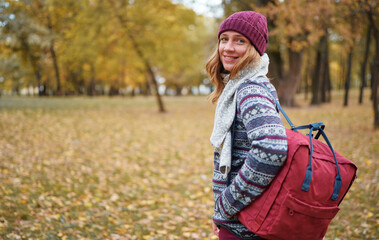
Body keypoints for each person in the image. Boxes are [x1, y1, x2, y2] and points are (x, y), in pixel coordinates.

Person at [206, 11, 288, 239]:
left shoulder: (250, 90)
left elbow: (271, 148)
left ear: (254, 48)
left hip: (246, 226)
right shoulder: (244, 85)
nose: (228, 48)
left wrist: (226, 206)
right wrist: (221, 214)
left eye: (239, 41)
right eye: (224, 39)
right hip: (244, 221)